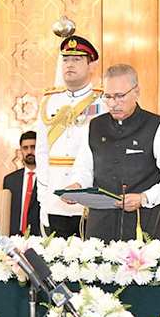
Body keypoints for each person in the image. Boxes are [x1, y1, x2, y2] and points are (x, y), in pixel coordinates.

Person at [67, 64, 160, 243]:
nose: (112, 103)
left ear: (136, 93)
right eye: (108, 97)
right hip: (100, 226)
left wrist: (144, 198)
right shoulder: (94, 126)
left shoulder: (156, 126)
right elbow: (84, 169)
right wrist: (76, 186)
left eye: (120, 96)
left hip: (143, 225)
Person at [36, 35, 107, 238]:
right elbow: (42, 153)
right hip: (55, 197)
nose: (69, 65)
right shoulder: (49, 102)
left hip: (89, 198)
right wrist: (43, 197)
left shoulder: (104, 101)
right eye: (66, 59)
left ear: (91, 65)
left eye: (76, 59)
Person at [3, 131, 41, 236]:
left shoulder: (48, 178)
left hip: (39, 237)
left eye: (33, 147)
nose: (29, 151)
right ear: (21, 150)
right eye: (25, 148)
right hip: (14, 237)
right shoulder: (10, 180)